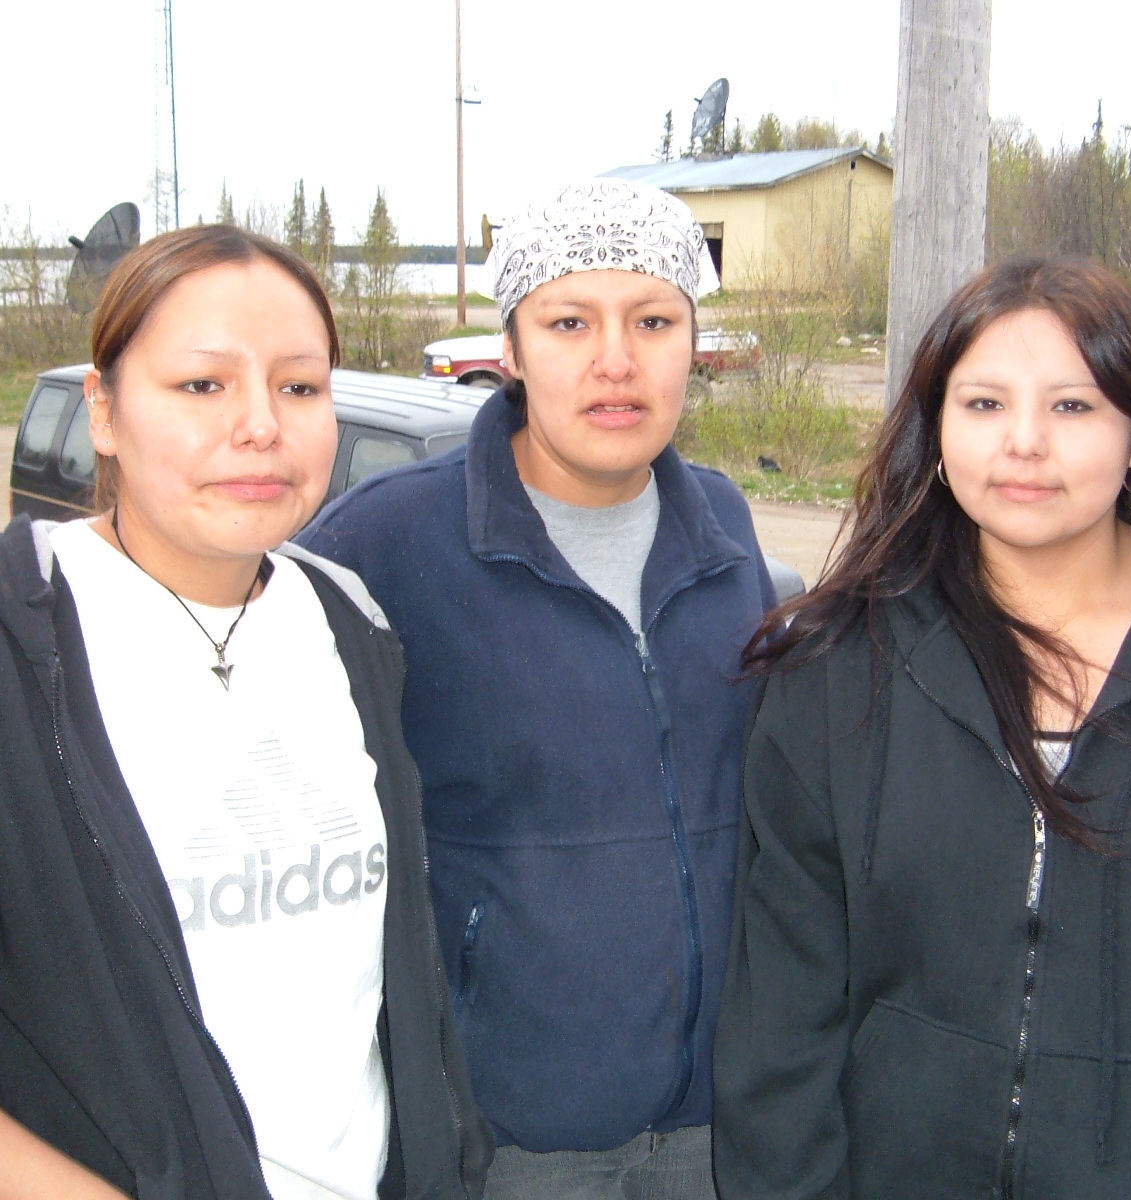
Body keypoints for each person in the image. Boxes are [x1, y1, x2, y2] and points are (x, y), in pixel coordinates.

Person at [712, 257, 1131, 1200]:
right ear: (939, 432)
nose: (1024, 443)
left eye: (1073, 407)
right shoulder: (842, 662)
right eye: (985, 403)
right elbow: (782, 995)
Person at [0, 225, 490, 1200]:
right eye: (202, 385)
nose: (260, 425)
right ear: (103, 410)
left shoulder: (348, 623)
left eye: (300, 385)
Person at [298, 180, 775, 1199]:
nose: (616, 360)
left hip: (717, 1133)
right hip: (509, 1143)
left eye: (653, 320)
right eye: (569, 322)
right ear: (509, 350)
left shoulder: (725, 529)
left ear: (695, 341)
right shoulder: (384, 544)